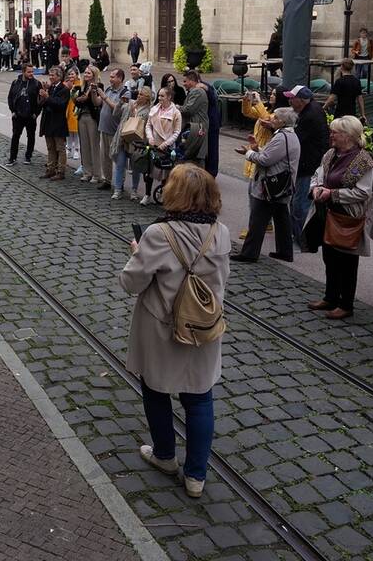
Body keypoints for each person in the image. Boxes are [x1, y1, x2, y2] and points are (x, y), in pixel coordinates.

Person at [119, 164, 229, 499]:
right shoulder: (221, 232)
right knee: (200, 397)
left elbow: (131, 282)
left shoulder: (158, 234)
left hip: (162, 328)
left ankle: (165, 456)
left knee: (155, 389)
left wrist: (137, 252)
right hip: (203, 326)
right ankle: (196, 477)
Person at [303, 116, 373, 320]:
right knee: (330, 258)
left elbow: (363, 192)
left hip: (347, 218)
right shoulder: (330, 154)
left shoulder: (363, 161)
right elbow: (318, 174)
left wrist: (332, 194)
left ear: (348, 136)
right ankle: (331, 297)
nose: (331, 135)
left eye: (335, 132)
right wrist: (316, 188)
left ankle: (346, 304)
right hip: (326, 214)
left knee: (347, 263)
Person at [231, 107, 301, 262]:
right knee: (282, 220)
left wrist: (249, 153)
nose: (272, 119)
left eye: (275, 118)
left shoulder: (282, 137)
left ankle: (249, 254)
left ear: (283, 121)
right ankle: (285, 252)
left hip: (271, 186)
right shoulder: (289, 135)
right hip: (281, 186)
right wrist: (258, 149)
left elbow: (265, 160)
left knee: (258, 219)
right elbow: (273, 155)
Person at [286, 85, 329, 250]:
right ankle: (299, 237)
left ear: (302, 100)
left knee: (300, 205)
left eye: (292, 98)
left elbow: (296, 140)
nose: (290, 101)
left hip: (308, 165)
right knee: (299, 202)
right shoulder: (312, 109)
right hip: (310, 163)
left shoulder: (309, 115)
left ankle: (302, 241)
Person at [113, 87, 153, 201]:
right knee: (120, 164)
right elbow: (115, 114)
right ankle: (117, 189)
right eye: (138, 94)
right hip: (124, 139)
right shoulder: (130, 104)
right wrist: (120, 103)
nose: (138, 96)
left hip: (137, 142)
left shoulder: (149, 111)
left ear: (147, 98)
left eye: (141, 94)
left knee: (136, 168)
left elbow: (147, 126)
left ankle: (134, 190)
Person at [145, 87, 183, 206]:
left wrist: (166, 144)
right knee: (149, 171)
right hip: (153, 145)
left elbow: (177, 132)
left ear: (169, 97)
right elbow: (148, 125)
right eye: (159, 95)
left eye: (162, 96)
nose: (159, 98)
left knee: (166, 173)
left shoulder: (176, 112)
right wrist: (150, 137)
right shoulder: (154, 109)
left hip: (166, 147)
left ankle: (165, 195)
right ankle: (147, 195)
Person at [97, 68, 132, 192]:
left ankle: (119, 182)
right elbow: (98, 103)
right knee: (105, 157)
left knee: (118, 158)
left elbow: (118, 109)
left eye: (113, 77)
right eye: (110, 76)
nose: (110, 79)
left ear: (120, 78)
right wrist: (94, 93)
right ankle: (107, 180)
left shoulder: (125, 93)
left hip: (115, 131)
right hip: (104, 128)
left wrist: (105, 97)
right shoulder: (108, 89)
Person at [73, 65, 105, 184]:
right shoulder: (82, 86)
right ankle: (87, 172)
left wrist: (88, 95)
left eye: (88, 73)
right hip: (82, 116)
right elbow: (78, 102)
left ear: (94, 75)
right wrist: (78, 100)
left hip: (92, 118)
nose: (86, 75)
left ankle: (97, 174)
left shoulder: (98, 86)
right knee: (84, 145)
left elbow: (96, 103)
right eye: (85, 73)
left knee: (94, 146)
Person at [39, 66, 71, 180]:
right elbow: (42, 104)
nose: (50, 77)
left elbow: (60, 104)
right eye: (50, 75)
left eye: (53, 75)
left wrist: (47, 96)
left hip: (58, 122)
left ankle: (61, 171)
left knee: (60, 148)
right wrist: (44, 95)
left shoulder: (64, 89)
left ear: (59, 77)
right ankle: (51, 169)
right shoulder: (51, 88)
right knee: (50, 147)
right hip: (48, 121)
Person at [7, 63, 40, 166]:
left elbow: (40, 101)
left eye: (32, 72)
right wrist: (13, 111)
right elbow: (10, 97)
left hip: (30, 115)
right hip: (18, 115)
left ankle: (28, 156)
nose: (31, 74)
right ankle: (12, 158)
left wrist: (36, 113)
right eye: (29, 72)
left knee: (31, 136)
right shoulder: (16, 82)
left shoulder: (36, 84)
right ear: (23, 72)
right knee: (15, 136)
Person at [179, 70, 209, 168]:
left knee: (196, 159)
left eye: (185, 81)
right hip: (194, 129)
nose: (183, 84)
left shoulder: (197, 91)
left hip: (196, 131)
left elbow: (188, 110)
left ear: (191, 81)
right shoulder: (194, 91)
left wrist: (176, 107)